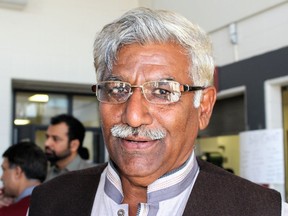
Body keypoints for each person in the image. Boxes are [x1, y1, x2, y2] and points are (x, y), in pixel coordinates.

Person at [28, 7, 288, 216]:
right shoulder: (47, 202)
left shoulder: (264, 210)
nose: (133, 116)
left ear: (204, 108)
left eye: (163, 91)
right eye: (118, 89)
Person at [0, 142, 47, 216]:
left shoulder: (9, 212)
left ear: (17, 172)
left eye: (4, 169)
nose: (1, 177)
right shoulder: (54, 201)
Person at [44, 114, 94, 181]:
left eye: (55, 139)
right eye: (47, 137)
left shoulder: (93, 175)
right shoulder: (46, 176)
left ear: (74, 145)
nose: (47, 143)